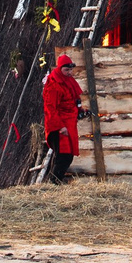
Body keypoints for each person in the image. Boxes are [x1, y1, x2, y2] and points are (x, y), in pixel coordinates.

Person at [40, 50, 83, 183]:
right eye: (66, 70)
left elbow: (72, 100)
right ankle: (53, 182)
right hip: (60, 125)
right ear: (60, 69)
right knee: (64, 156)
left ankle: (54, 181)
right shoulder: (54, 85)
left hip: (69, 123)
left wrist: (81, 110)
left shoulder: (68, 81)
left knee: (66, 155)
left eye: (70, 70)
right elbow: (50, 108)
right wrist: (60, 126)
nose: (70, 73)